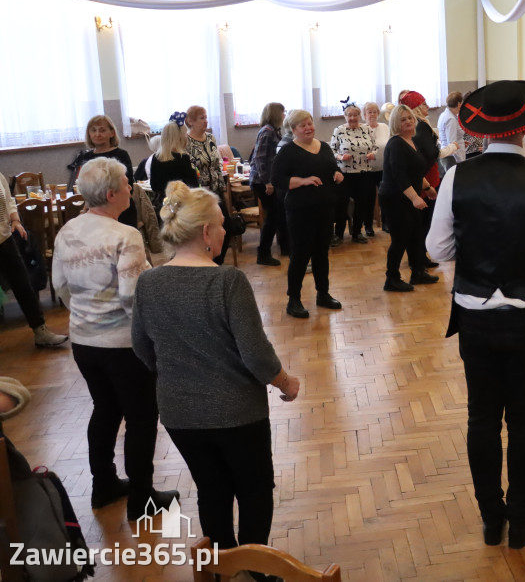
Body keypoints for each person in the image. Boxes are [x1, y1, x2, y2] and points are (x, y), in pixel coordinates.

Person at [426, 80, 525, 550]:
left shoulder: (456, 178)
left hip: (474, 314)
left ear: (483, 128)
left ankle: (491, 519)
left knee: (482, 419)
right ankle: (519, 518)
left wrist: (474, 249)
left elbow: (437, 249)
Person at [132, 180, 300, 552]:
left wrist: (178, 373)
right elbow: (255, 354)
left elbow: (142, 349)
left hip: (179, 413)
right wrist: (285, 382)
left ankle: (222, 565)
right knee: (254, 489)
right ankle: (254, 567)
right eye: (222, 224)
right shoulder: (227, 281)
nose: (226, 231)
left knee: (211, 488)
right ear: (207, 232)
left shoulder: (148, 282)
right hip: (237, 413)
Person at [51, 157, 178, 519]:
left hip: (83, 341)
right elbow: (132, 298)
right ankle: (142, 500)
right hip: (123, 345)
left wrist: (88, 315)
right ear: (110, 194)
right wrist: (154, 338)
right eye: (126, 182)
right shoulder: (125, 235)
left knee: (105, 408)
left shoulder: (67, 230)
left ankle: (104, 485)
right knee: (141, 418)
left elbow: (60, 285)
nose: (131, 187)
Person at [270, 109, 344, 319]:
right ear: (293, 130)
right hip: (300, 210)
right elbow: (277, 180)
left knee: (322, 253)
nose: (308, 128)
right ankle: (293, 299)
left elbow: (333, 169)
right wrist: (303, 181)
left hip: (325, 208)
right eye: (302, 125)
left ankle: (323, 293)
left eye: (310, 123)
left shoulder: (324, 147)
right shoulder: (287, 151)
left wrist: (338, 174)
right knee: (300, 255)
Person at [0, 171, 68, 348]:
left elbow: (9, 200)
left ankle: (40, 331)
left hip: (4, 238)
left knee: (23, 284)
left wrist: (15, 220)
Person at [378, 104, 439, 292]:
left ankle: (418, 272)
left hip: (408, 194)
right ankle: (392, 278)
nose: (408, 122)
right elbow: (400, 176)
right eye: (403, 119)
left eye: (410, 118)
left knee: (415, 234)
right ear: (396, 123)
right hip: (395, 198)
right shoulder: (396, 144)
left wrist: (427, 187)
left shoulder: (411, 141)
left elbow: (416, 171)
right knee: (400, 238)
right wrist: (414, 198)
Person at [68, 115, 137, 227]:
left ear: (112, 133)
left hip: (121, 208)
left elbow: (129, 185)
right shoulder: (86, 157)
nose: (97, 134)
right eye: (93, 130)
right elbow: (87, 188)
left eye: (102, 130)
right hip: (96, 210)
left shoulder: (121, 155)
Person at [184, 105, 232, 265]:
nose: (205, 121)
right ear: (190, 121)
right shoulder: (186, 142)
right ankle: (208, 263)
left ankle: (218, 262)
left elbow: (217, 165)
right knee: (205, 231)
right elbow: (188, 169)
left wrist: (223, 189)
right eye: (201, 118)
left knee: (227, 227)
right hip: (200, 193)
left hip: (216, 190)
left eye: (206, 117)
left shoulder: (211, 138)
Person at [401, 91, 441, 265]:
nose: (428, 107)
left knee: (422, 219)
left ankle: (419, 256)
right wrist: (444, 149)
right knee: (423, 219)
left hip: (425, 176)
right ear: (416, 107)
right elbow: (431, 153)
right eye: (424, 104)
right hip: (425, 178)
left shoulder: (419, 125)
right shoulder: (421, 126)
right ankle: (419, 257)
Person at [331, 104, 377, 245]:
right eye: (349, 115)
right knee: (342, 204)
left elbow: (375, 147)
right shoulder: (339, 130)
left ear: (359, 116)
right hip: (345, 174)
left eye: (355, 115)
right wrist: (340, 157)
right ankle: (339, 234)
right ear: (345, 117)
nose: (352, 118)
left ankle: (357, 232)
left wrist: (372, 154)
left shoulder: (367, 129)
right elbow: (332, 151)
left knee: (361, 204)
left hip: (364, 173)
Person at [249, 102, 287, 266]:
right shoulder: (267, 132)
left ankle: (285, 247)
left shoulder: (274, 130)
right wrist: (268, 182)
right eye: (282, 112)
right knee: (272, 217)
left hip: (269, 181)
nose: (284, 115)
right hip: (262, 182)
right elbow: (259, 159)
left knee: (278, 215)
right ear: (276, 114)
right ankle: (263, 254)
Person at [149, 113, 199, 214]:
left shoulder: (155, 158)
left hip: (164, 205)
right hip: (182, 205)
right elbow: (193, 184)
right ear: (179, 138)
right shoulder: (182, 158)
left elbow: (154, 186)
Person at [364, 101, 389, 237]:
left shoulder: (384, 127)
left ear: (378, 113)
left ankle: (386, 223)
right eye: (369, 112)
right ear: (364, 115)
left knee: (384, 196)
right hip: (367, 170)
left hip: (383, 168)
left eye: (374, 112)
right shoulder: (362, 129)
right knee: (368, 198)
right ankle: (368, 226)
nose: (372, 114)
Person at [438, 91, 467, 174]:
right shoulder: (451, 119)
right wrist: (460, 161)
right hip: (452, 157)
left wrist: (462, 141)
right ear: (459, 104)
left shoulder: (446, 115)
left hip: (450, 154)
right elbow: (452, 143)